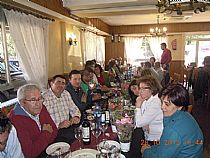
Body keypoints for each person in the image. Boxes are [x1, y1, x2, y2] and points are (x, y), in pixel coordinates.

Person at [142, 84, 204, 158]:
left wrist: (145, 151)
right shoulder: (185, 115)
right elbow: (165, 145)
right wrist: (151, 149)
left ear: (179, 107)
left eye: (167, 104)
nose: (162, 107)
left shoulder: (173, 129)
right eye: (162, 102)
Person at [8, 84, 58, 158]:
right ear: (22, 102)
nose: (38, 103)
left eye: (40, 98)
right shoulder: (15, 121)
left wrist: (42, 142)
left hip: (48, 149)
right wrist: (46, 133)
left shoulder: (41, 108)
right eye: (33, 100)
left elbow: (54, 130)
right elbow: (30, 154)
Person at [42, 75, 81, 144]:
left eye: (63, 83)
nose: (60, 85)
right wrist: (59, 125)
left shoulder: (66, 94)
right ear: (51, 84)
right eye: (58, 82)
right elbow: (42, 122)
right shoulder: (44, 98)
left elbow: (74, 108)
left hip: (68, 129)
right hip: (54, 133)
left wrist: (76, 116)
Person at [135, 76, 163, 145]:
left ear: (152, 89)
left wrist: (138, 106)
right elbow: (140, 120)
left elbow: (138, 123)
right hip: (147, 135)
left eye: (144, 88)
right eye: (140, 88)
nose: (140, 91)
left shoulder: (155, 103)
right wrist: (144, 124)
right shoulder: (147, 99)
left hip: (155, 140)